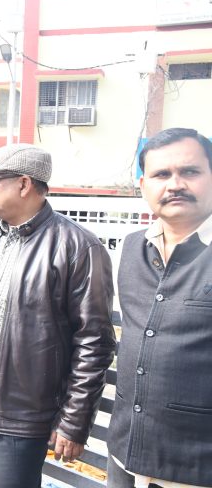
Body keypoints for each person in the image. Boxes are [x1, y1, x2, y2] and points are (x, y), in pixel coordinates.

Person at [0, 144, 116, 488]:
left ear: (24, 184)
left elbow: (94, 342)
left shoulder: (76, 246)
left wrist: (74, 421)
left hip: (20, 413)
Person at [108, 128, 212, 488]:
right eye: (161, 174)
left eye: (190, 171)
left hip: (194, 469)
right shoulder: (132, 248)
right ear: (143, 186)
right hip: (125, 453)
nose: (175, 184)